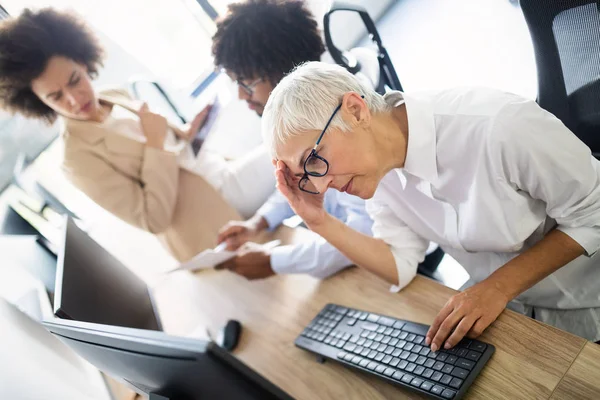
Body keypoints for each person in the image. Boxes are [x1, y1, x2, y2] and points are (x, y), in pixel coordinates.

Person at [262, 61, 600, 346]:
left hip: (586, 300)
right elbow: (400, 262)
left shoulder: (497, 126)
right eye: (304, 176)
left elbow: (593, 211)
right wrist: (319, 222)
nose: (321, 186)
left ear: (354, 110)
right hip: (512, 311)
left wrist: (497, 287)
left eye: (314, 159)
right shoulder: (376, 172)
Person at [0, 8, 276, 261]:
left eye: (75, 80)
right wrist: (155, 143)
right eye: (56, 97)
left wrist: (188, 132)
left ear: (83, 62)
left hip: (219, 170)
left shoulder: (113, 96)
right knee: (292, 144)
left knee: (291, 148)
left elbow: (168, 149)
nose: (74, 99)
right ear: (38, 103)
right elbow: (152, 219)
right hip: (213, 210)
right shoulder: (76, 160)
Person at [211, 0, 373, 279]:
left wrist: (275, 262)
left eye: (245, 82)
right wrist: (258, 223)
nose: (241, 95)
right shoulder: (299, 118)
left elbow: (366, 232)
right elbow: (298, 182)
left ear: (280, 68)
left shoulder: (335, 124)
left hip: (387, 262)